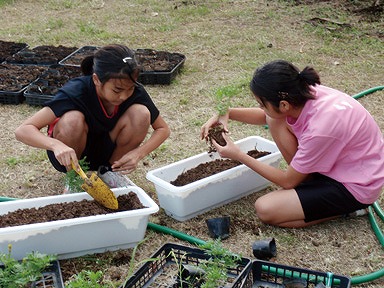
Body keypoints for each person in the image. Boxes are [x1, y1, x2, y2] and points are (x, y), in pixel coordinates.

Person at [201, 60, 384, 228]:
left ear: (284, 104)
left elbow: (287, 182)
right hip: (339, 166)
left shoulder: (321, 128)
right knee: (275, 120)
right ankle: (307, 182)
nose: (261, 108)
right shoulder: (303, 92)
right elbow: (269, 115)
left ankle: (349, 209)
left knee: (266, 209)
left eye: (261, 104)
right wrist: (227, 112)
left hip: (354, 186)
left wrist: (239, 155)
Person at [15, 44, 170, 190]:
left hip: (106, 152)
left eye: (130, 89)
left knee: (141, 113)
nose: (124, 96)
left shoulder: (135, 92)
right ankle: (74, 179)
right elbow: (23, 130)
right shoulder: (76, 91)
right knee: (72, 119)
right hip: (71, 153)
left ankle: (109, 172)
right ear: (96, 80)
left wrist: (138, 154)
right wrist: (56, 146)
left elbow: (162, 129)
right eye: (117, 90)